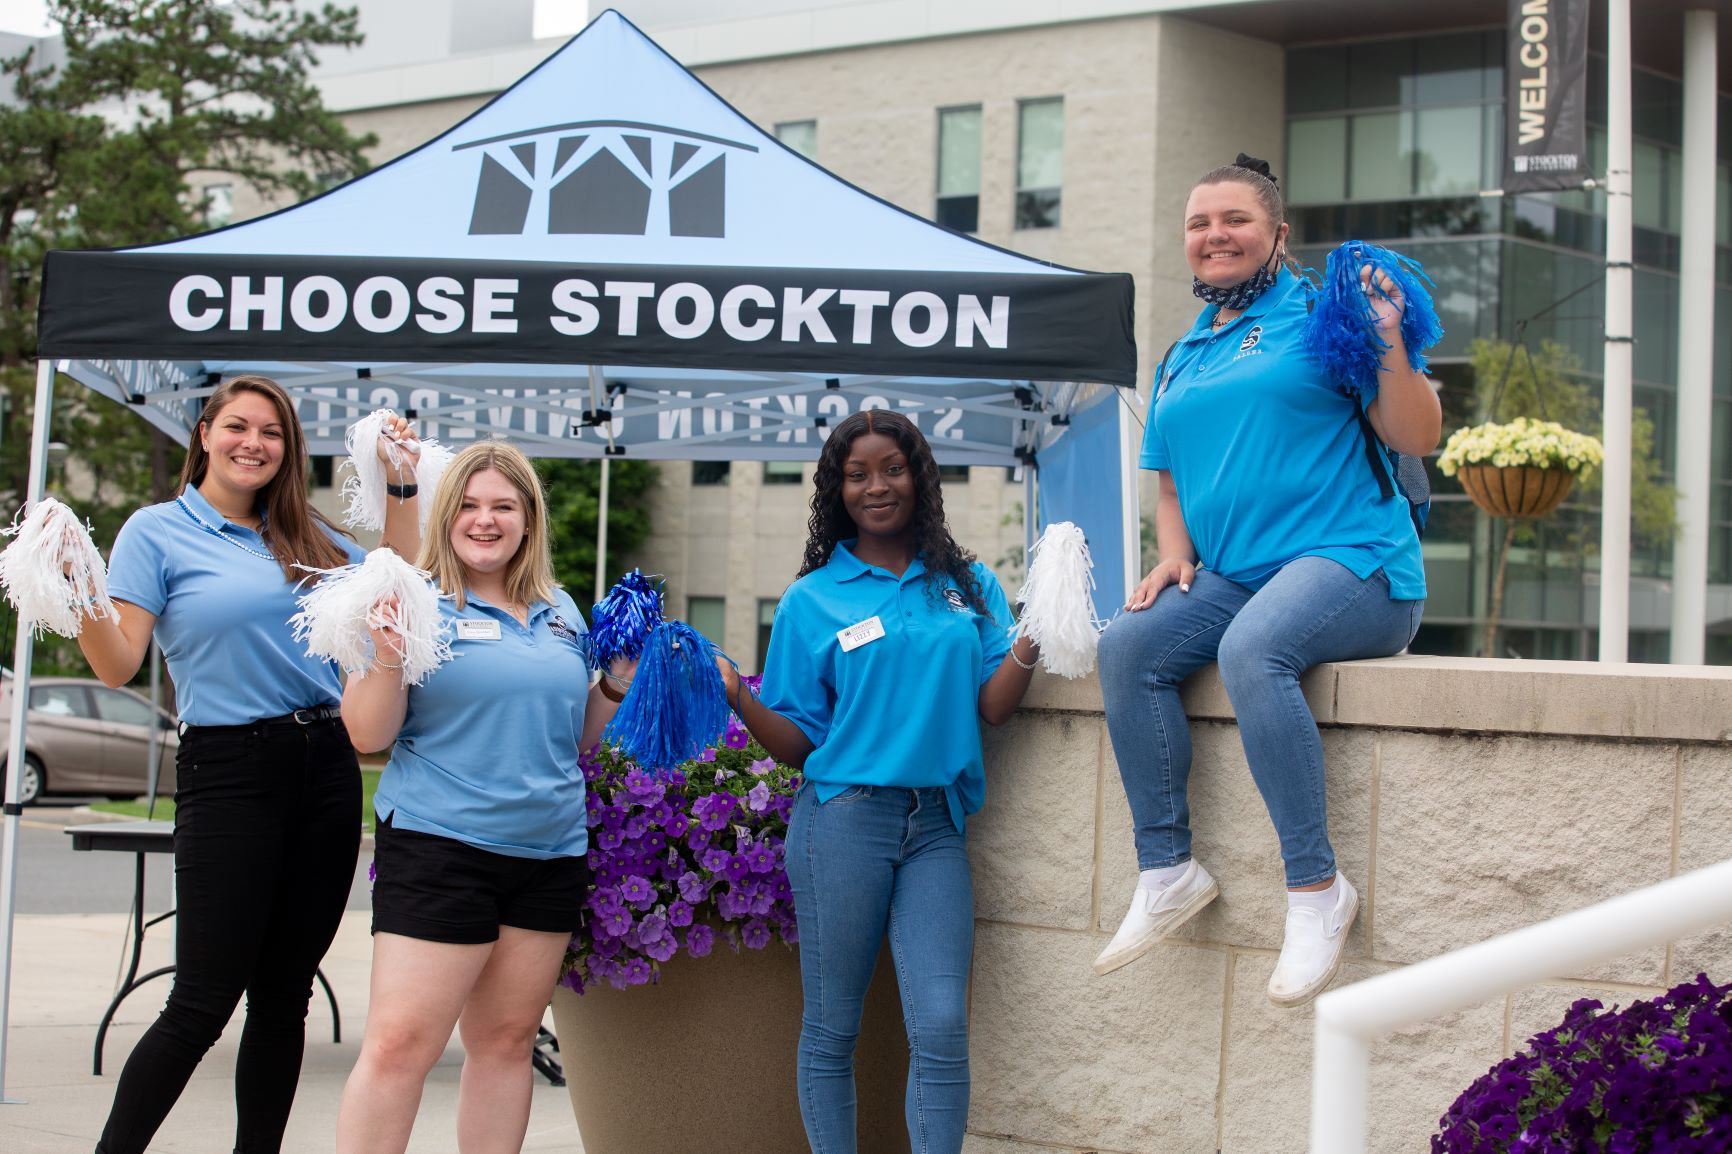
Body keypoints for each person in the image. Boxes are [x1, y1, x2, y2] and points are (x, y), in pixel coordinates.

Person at [1091, 156, 1439, 1006]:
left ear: (1277, 233)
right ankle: (1168, 869)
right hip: (1236, 572)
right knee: (1129, 647)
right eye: (1199, 223)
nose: (1215, 235)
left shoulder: (1329, 314)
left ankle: (1317, 891)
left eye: (1235, 220)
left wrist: (1389, 342)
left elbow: (1417, 433)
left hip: (1355, 560)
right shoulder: (1188, 349)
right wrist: (1173, 550)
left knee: (1255, 651)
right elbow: (1167, 472)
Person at [76, 375, 422, 1154]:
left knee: (283, 998)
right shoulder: (156, 532)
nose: (253, 444)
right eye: (238, 426)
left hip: (326, 770)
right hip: (229, 769)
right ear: (204, 433)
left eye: (271, 433)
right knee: (199, 1002)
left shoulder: (307, 536)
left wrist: (401, 479)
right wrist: (78, 595)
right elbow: (116, 664)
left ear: (287, 451)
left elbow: (395, 581)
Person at [720, 409, 1039, 1154]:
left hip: (935, 828)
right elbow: (801, 744)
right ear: (836, 490)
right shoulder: (811, 601)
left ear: (919, 476)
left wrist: (1037, 628)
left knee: (941, 1023)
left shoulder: (968, 583)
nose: (876, 486)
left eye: (891, 468)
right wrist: (740, 695)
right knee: (833, 1027)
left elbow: (994, 706)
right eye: (856, 474)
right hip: (842, 825)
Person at [334, 441, 628, 1154]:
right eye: (468, 505)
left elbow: (572, 739)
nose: (485, 520)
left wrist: (616, 681)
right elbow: (366, 734)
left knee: (506, 1042)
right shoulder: (412, 599)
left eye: (503, 505)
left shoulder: (560, 610)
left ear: (529, 518)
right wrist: (388, 655)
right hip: (441, 848)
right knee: (401, 1046)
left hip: (548, 854)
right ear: (445, 514)